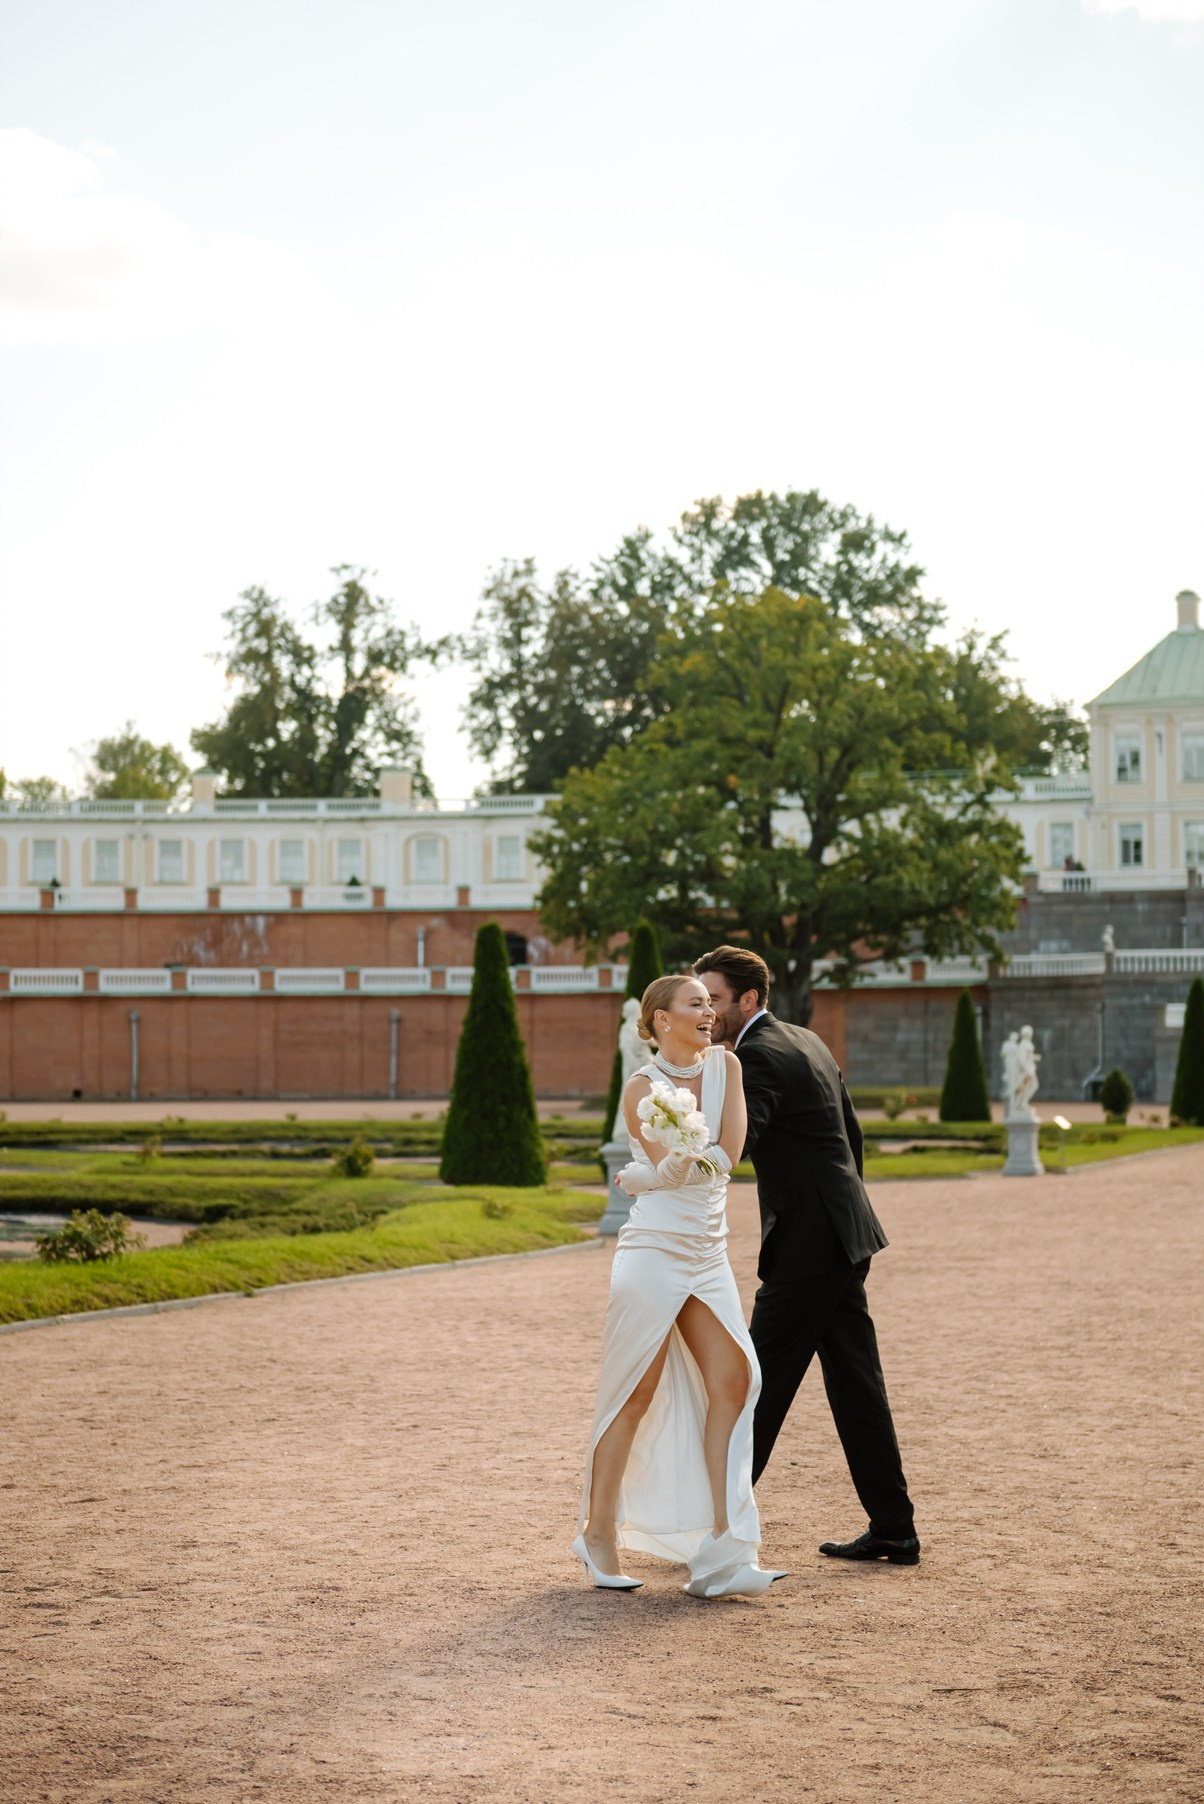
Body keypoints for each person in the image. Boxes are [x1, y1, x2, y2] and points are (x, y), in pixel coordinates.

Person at [693, 946, 920, 1566]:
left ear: (749, 999)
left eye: (714, 999)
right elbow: (852, 1136)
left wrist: (695, 1151)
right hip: (844, 1234)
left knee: (751, 1382)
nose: (706, 1011)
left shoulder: (757, 1057)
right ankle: (894, 1529)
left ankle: (714, 1527)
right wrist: (846, 1216)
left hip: (811, 1248)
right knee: (856, 1385)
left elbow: (740, 1139)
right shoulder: (806, 1040)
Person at [574, 974, 788, 1598]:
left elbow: (730, 1151)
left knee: (736, 1379)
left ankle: (723, 1553)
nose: (709, 1011)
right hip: (652, 1254)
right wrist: (659, 1171)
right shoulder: (642, 1087)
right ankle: (598, 1535)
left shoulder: (728, 1067)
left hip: (708, 1254)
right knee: (634, 1394)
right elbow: (662, 1165)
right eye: (695, 1003)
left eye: (711, 1002)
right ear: (661, 1018)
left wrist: (662, 1170)